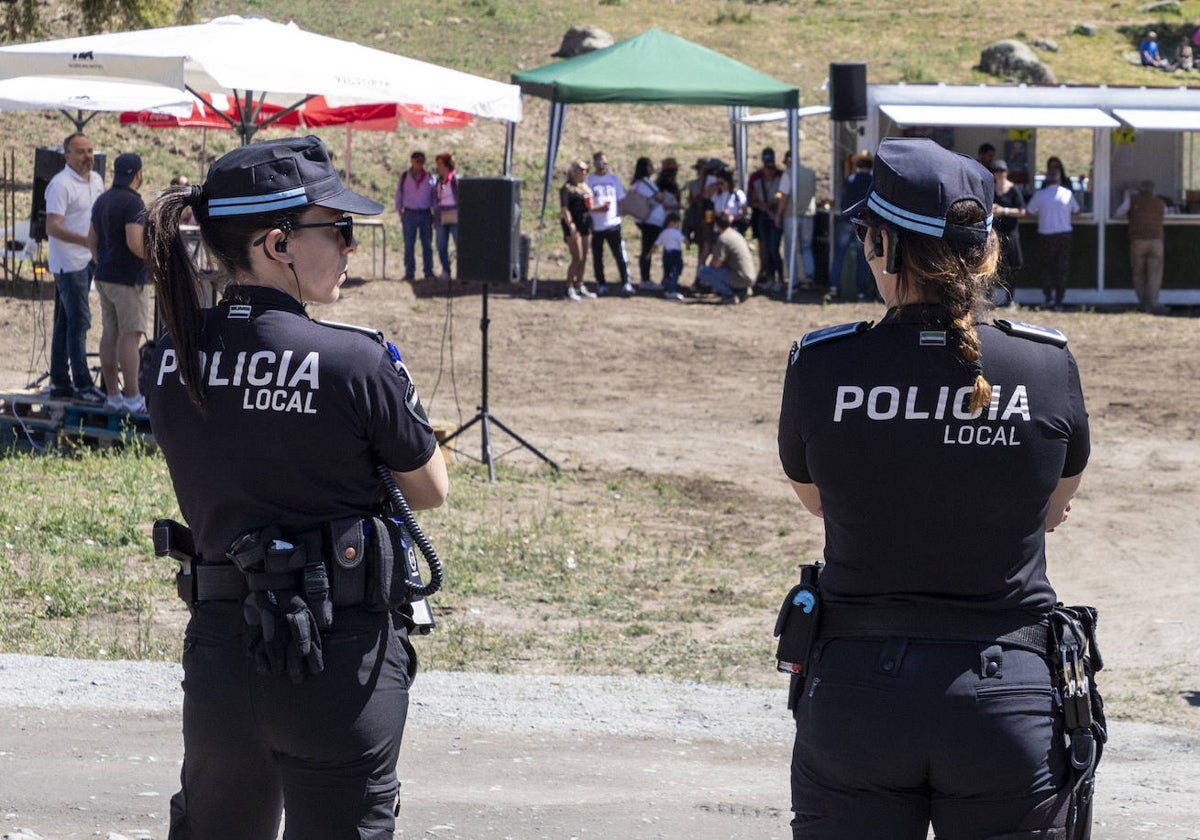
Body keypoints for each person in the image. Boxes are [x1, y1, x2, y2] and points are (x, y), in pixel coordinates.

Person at [778, 136, 1093, 839]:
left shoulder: (820, 366)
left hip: (858, 696)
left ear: (883, 247)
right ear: (986, 253)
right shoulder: (1046, 365)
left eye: (866, 233)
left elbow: (817, 499)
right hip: (1005, 696)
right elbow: (1051, 509)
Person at [143, 135, 449, 838]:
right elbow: (429, 488)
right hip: (340, 659)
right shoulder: (354, 361)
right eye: (336, 229)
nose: (349, 247)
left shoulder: (168, 361)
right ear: (278, 243)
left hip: (223, 649)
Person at [44, 132, 105, 405]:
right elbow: (52, 226)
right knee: (80, 320)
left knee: (66, 322)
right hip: (67, 262)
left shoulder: (97, 180)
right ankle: (81, 383)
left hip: (88, 259)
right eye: (80, 151)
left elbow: (96, 216)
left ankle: (59, 380)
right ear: (67, 155)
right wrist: (86, 242)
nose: (87, 156)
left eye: (90, 151)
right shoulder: (60, 184)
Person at [87, 152, 150, 414]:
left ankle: (112, 395)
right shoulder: (133, 203)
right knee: (130, 336)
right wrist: (156, 257)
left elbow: (91, 239)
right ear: (138, 174)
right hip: (128, 278)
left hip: (104, 275)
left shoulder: (103, 199)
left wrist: (101, 260)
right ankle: (133, 397)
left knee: (109, 334)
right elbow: (135, 243)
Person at [1025, 168, 1080, 309]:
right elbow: (1077, 211)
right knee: (1061, 268)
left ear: (1046, 179)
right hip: (1064, 234)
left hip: (1045, 234)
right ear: (1060, 179)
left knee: (1046, 267)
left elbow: (1029, 211)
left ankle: (1048, 297)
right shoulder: (1067, 194)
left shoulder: (1040, 194)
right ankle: (1059, 300)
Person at [1114, 179, 1169, 314]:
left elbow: (1117, 213)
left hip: (1138, 241)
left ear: (1140, 189)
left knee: (1138, 274)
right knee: (1154, 275)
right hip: (1156, 241)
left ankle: (1143, 304)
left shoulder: (1132, 200)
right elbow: (1166, 214)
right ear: (1153, 190)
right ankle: (1153, 304)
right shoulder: (1160, 203)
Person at [828, 152, 875, 301]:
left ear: (858, 166)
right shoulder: (872, 181)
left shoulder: (849, 179)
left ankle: (834, 287)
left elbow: (843, 199)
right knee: (863, 257)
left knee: (839, 255)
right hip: (862, 222)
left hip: (846, 219)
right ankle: (861, 291)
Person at [586, 151, 633, 296]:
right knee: (597, 257)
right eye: (599, 163)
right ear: (594, 164)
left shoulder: (614, 180)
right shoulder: (589, 180)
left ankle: (626, 282)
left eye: (604, 163)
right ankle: (601, 284)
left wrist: (623, 212)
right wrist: (598, 209)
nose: (602, 166)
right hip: (596, 225)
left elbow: (621, 199)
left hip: (613, 223)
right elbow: (587, 202)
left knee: (619, 254)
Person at [775, 149, 818, 295]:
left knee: (790, 249)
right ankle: (809, 275)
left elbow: (784, 196)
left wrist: (778, 214)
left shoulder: (788, 174)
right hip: (808, 213)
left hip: (791, 214)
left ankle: (793, 282)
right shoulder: (810, 173)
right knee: (806, 246)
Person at [696, 211, 755, 305]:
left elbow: (716, 263)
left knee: (703, 271)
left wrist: (704, 260)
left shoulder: (723, 238)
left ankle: (730, 295)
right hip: (749, 276)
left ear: (717, 224)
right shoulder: (736, 234)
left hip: (739, 276)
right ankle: (742, 290)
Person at [394, 150, 436, 281]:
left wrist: (435, 212)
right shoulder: (405, 176)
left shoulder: (429, 176)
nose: (420, 164)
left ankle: (428, 271)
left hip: (425, 213)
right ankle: (409, 272)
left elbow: (434, 196)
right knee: (409, 244)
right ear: (411, 161)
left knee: (427, 245)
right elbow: (399, 193)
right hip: (409, 213)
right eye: (417, 161)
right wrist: (399, 209)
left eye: (422, 161)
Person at [559, 159, 596, 301]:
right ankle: (569, 285)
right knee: (577, 256)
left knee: (584, 257)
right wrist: (571, 225)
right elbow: (565, 209)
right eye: (581, 169)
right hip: (573, 224)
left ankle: (579, 284)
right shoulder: (567, 188)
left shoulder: (585, 187)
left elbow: (590, 206)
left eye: (586, 170)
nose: (584, 173)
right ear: (573, 170)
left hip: (585, 222)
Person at [991, 159, 1026, 305]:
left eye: (1002, 171)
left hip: (1011, 233)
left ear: (1007, 173)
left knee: (1013, 266)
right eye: (997, 171)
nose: (1000, 174)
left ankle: (1010, 298)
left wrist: (1003, 211)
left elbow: (1022, 211)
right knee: (992, 265)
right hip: (994, 233)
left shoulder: (1013, 190)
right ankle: (989, 298)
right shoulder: (991, 189)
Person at [748, 147, 784, 289]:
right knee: (765, 248)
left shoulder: (781, 177)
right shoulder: (756, 178)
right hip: (761, 215)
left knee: (774, 248)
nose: (770, 169)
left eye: (772, 165)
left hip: (775, 214)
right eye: (767, 165)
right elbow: (751, 198)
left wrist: (775, 202)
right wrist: (760, 205)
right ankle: (767, 275)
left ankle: (779, 278)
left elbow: (783, 194)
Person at [629, 156, 666, 292]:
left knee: (646, 248)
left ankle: (645, 278)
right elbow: (659, 197)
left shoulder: (635, 183)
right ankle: (645, 279)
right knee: (647, 250)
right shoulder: (646, 182)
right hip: (651, 221)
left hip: (642, 220)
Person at [432, 152, 458, 280]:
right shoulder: (440, 180)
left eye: (440, 164)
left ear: (447, 165)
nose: (438, 167)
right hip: (441, 215)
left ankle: (463, 272)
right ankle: (446, 270)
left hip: (455, 214)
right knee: (441, 245)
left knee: (460, 244)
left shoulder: (455, 179)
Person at [651, 211, 687, 301]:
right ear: (673, 222)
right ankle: (671, 291)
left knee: (667, 271)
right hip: (675, 254)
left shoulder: (663, 233)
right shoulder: (676, 232)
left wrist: (649, 254)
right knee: (676, 272)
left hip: (666, 254)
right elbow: (685, 240)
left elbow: (656, 244)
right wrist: (688, 245)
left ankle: (666, 285)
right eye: (678, 223)